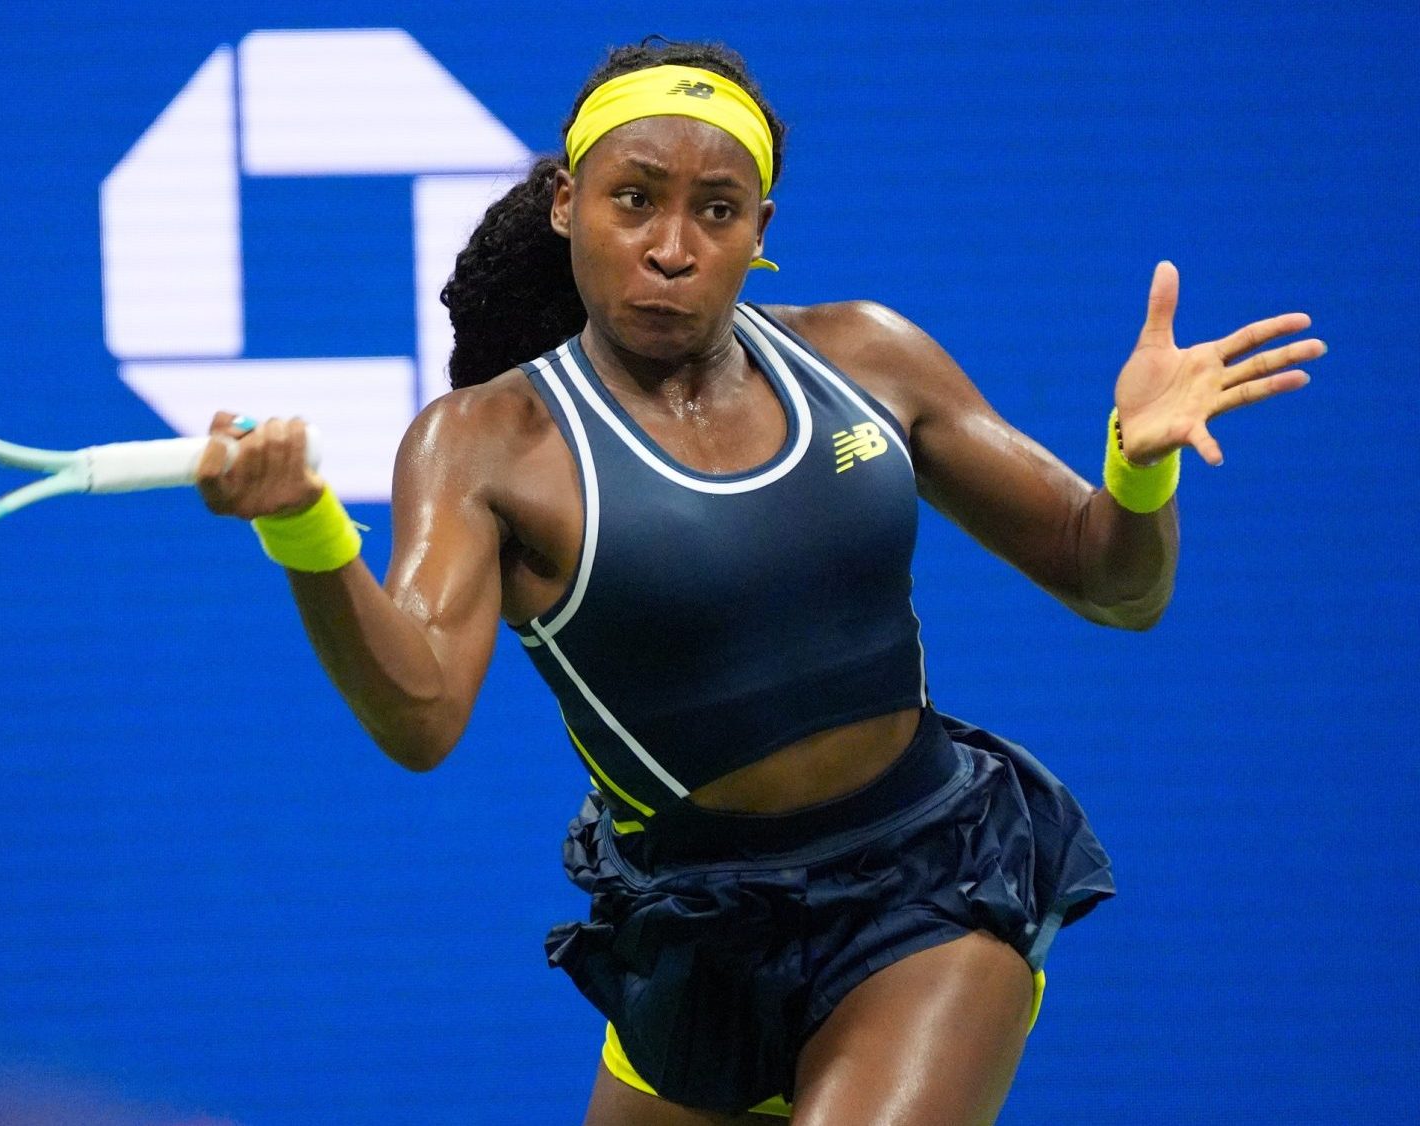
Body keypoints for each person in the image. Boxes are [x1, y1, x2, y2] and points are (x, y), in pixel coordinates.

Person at [193, 37, 1322, 1125]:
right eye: (632, 200)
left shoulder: (867, 356)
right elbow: (422, 709)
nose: (671, 245)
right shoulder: (483, 442)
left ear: (758, 231)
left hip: (925, 889)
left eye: (714, 211)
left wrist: (1136, 462)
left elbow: (1111, 581)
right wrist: (306, 532)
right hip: (697, 929)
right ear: (564, 205)